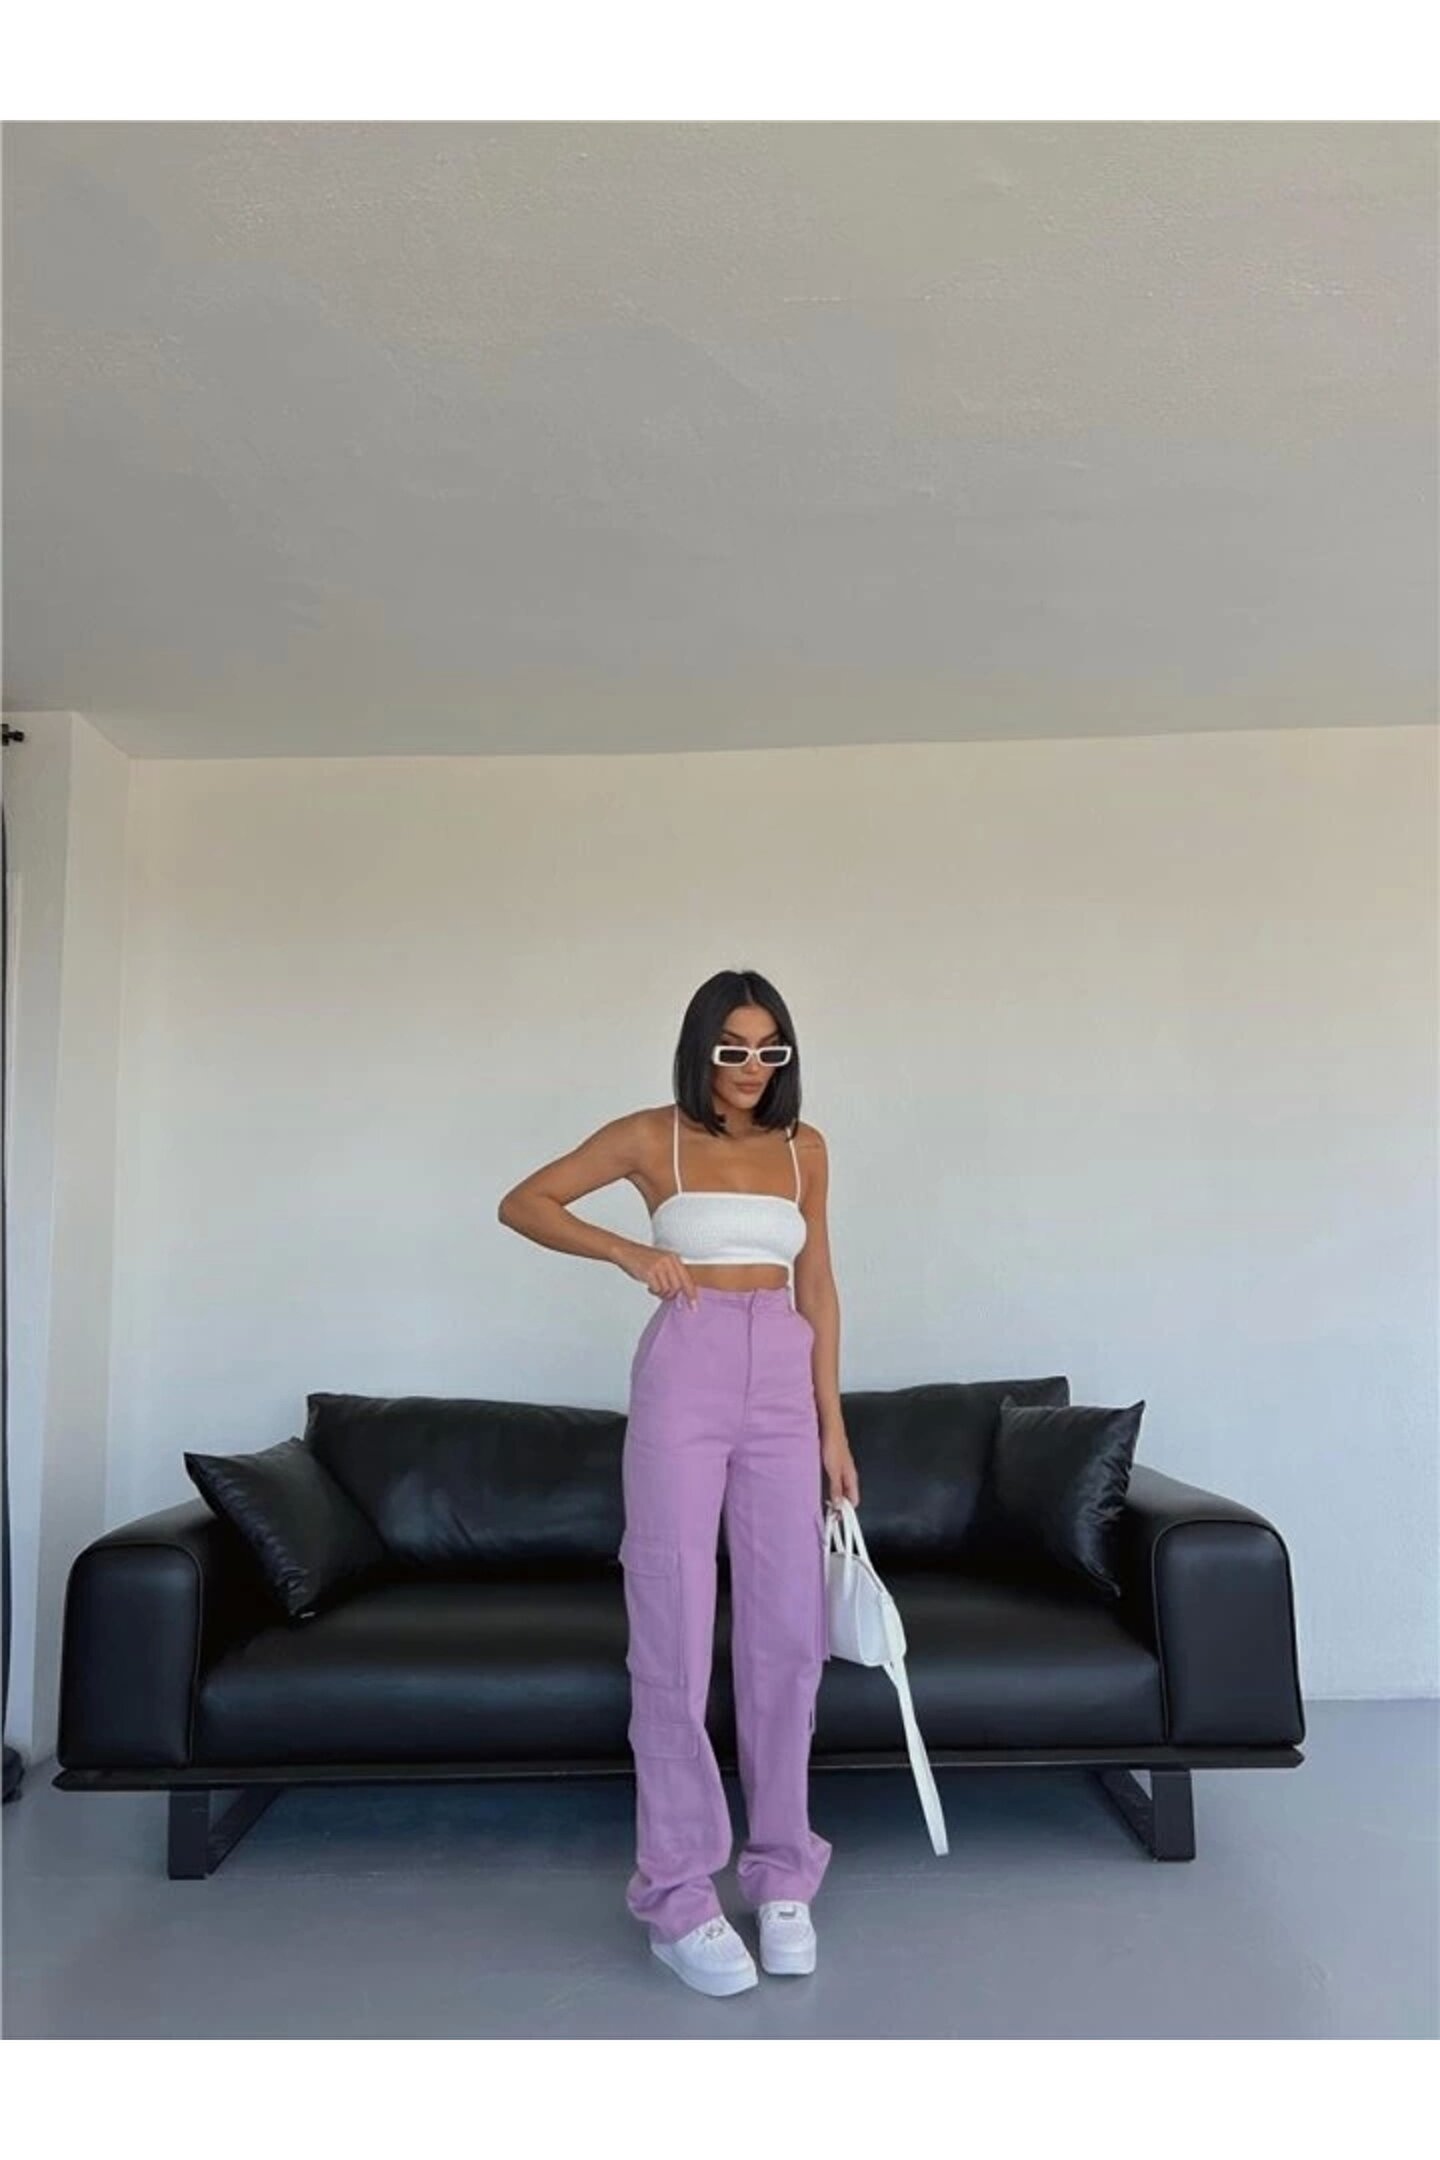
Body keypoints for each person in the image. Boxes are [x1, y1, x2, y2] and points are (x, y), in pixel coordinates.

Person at [498, 967, 860, 1997]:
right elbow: (523, 1202)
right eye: (733, 1048)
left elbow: (818, 1281)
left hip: (782, 1374)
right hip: (686, 1368)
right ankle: (678, 1895)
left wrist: (833, 1426)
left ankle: (782, 1875)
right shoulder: (650, 1137)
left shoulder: (804, 1148)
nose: (751, 1067)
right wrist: (625, 1251)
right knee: (672, 1625)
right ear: (702, 1048)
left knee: (788, 1633)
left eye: (769, 1049)